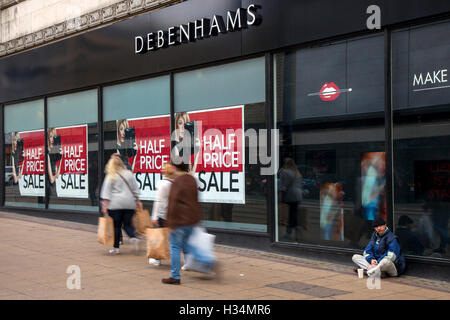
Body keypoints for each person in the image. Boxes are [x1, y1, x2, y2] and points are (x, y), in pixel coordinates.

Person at [161, 159, 217, 285]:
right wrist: (197, 219)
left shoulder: (177, 182)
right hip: (191, 220)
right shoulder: (192, 180)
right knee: (188, 246)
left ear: (175, 168)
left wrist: (170, 222)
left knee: (175, 246)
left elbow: (172, 203)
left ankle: (175, 276)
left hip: (179, 221)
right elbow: (196, 201)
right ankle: (207, 262)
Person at [100, 154, 142, 255]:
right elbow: (135, 189)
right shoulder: (129, 174)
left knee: (117, 226)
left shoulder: (111, 175)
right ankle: (133, 237)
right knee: (127, 224)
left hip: (115, 205)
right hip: (129, 204)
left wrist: (104, 206)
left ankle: (116, 248)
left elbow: (106, 192)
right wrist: (137, 200)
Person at [148, 162, 175, 266]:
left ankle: (156, 258)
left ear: (164, 171)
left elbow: (158, 201)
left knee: (160, 237)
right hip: (172, 214)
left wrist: (154, 216)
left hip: (163, 214)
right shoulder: (174, 183)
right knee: (172, 237)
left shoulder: (161, 183)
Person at [278, 158, 303, 241]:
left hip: (290, 194)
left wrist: (280, 195)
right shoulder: (297, 172)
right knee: (293, 212)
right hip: (298, 194)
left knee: (289, 214)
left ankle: (289, 233)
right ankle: (296, 228)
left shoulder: (284, 172)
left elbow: (283, 186)